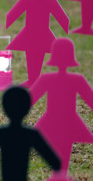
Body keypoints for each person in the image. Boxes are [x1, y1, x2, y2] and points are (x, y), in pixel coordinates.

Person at [30, 38, 93, 172]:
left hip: (56, 119)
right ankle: (60, 175)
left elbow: (29, 100)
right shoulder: (76, 79)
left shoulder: (48, 78)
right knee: (63, 143)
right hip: (66, 119)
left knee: (61, 143)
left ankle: (59, 175)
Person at [6, 0, 69, 87]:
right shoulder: (50, 2)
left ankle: (31, 84)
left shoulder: (29, 0)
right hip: (40, 36)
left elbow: (11, 16)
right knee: (34, 67)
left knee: (34, 66)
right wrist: (66, 28)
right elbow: (64, 20)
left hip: (32, 36)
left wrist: (8, 23)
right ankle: (32, 84)